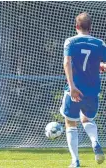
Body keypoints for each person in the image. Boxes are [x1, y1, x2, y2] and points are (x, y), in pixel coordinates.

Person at [60, 12, 106, 167]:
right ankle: (95, 141)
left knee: (70, 123)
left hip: (75, 90)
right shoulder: (100, 43)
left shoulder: (70, 41)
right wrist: (102, 66)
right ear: (90, 27)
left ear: (76, 26)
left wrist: (72, 87)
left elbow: (67, 63)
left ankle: (75, 161)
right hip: (92, 91)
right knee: (87, 119)